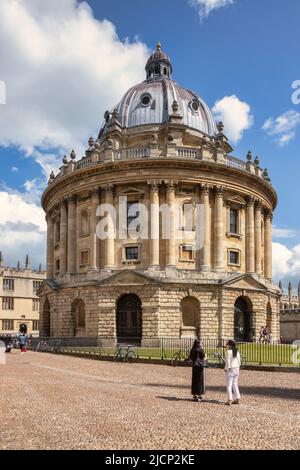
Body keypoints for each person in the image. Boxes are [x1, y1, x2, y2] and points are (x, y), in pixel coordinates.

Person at [224, 339, 241, 406]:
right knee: (235, 383)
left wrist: (226, 368)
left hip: (230, 368)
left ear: (230, 345)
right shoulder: (236, 351)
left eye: (227, 344)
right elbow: (239, 361)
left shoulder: (228, 352)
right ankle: (238, 398)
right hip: (236, 368)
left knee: (229, 385)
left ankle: (229, 399)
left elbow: (227, 361)